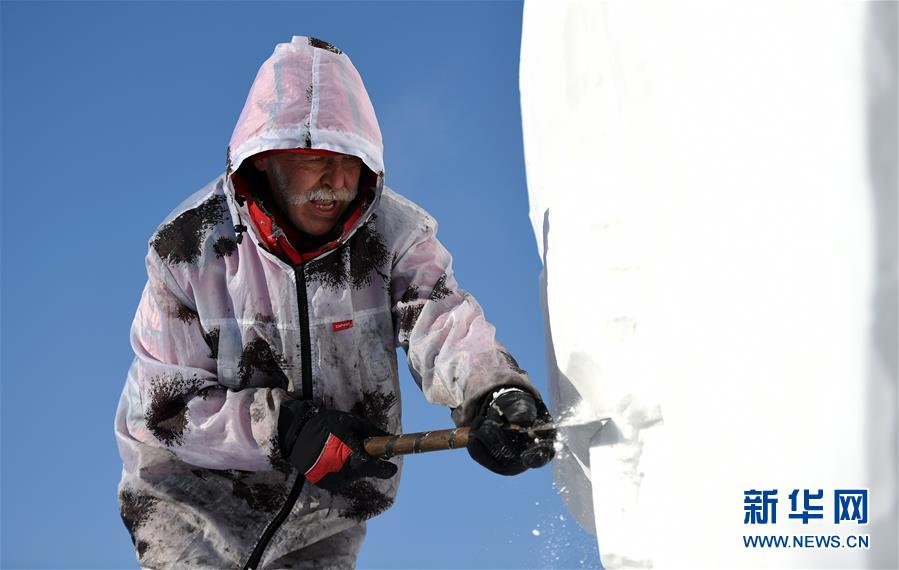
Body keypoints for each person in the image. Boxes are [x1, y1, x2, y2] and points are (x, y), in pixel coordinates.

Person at [114, 36, 554, 569]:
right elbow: (166, 406)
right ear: (265, 160)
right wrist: (284, 430)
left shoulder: (394, 237)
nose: (337, 182)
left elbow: (440, 319)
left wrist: (494, 392)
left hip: (324, 510)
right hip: (195, 508)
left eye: (350, 161)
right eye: (313, 160)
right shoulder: (189, 251)